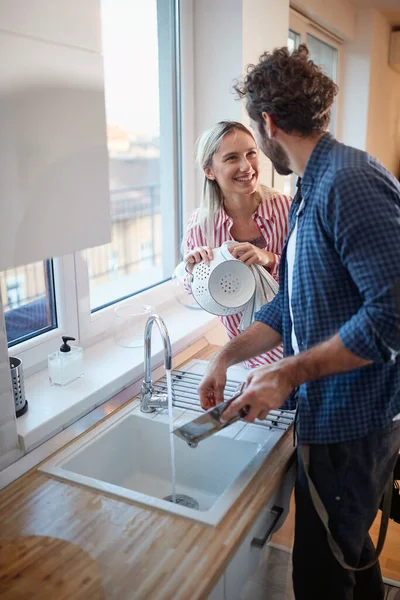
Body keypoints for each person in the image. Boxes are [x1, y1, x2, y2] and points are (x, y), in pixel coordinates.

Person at [198, 46, 400, 600]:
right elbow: (292, 307)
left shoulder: (349, 183)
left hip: (354, 426)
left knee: (321, 578)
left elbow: (392, 318)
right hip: (330, 420)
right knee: (350, 562)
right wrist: (226, 355)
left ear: (267, 124)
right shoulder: (311, 190)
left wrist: (287, 374)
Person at [182, 120, 291, 367]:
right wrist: (196, 271)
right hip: (248, 358)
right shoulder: (202, 226)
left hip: (299, 349)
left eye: (251, 153)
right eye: (232, 158)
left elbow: (310, 272)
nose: (247, 166)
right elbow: (197, 292)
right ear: (209, 170)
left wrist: (269, 258)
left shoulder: (286, 208)